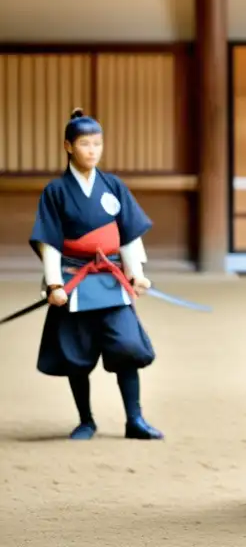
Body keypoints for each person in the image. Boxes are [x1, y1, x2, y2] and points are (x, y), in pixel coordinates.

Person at [29, 108, 163, 440]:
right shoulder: (56, 191)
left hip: (110, 280)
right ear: (68, 146)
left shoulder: (113, 186)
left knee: (128, 346)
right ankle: (86, 420)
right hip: (74, 281)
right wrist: (54, 283)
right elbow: (49, 241)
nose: (92, 150)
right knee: (77, 353)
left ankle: (135, 420)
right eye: (85, 143)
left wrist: (136, 273)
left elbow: (129, 233)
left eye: (97, 144)